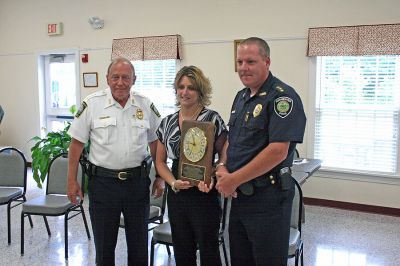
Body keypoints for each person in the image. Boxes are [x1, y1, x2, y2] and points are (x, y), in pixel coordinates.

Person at [215, 37, 306, 266]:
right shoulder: (242, 96)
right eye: (239, 62)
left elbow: (277, 151)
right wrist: (222, 166)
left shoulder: (282, 98)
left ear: (267, 62)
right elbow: (232, 141)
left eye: (251, 61)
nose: (243, 68)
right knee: (241, 259)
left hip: (268, 199)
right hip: (240, 198)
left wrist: (233, 179)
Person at [67, 57, 164, 266]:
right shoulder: (92, 104)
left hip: (136, 184)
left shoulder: (145, 105)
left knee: (139, 245)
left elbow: (156, 144)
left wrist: (159, 177)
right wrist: (72, 181)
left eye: (125, 77)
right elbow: (76, 146)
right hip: (103, 185)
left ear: (134, 79)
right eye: (115, 77)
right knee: (104, 246)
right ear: (107, 79)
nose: (120, 82)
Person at [155, 66, 228, 266]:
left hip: (205, 192)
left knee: (208, 248)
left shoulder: (212, 119)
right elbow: (160, 162)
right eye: (181, 87)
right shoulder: (167, 122)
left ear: (200, 92)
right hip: (178, 193)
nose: (185, 92)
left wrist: (214, 173)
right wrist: (172, 182)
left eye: (191, 88)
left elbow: (225, 153)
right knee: (182, 248)